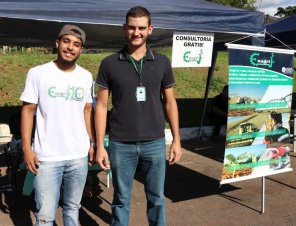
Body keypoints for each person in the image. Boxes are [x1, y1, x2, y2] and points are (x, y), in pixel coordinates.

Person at [94, 6, 182, 226]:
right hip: (120, 143)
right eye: (132, 27)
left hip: (155, 141)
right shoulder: (109, 63)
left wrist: (177, 141)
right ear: (125, 28)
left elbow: (170, 102)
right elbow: (101, 106)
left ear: (150, 29)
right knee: (121, 199)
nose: (137, 32)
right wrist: (99, 145)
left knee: (157, 198)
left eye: (142, 28)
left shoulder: (162, 62)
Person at [20, 24, 95, 226]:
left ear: (81, 50)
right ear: (57, 43)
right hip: (47, 157)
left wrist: (92, 143)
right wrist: (27, 148)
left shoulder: (86, 76)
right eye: (66, 41)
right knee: (44, 216)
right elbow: (27, 111)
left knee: (72, 210)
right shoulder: (38, 73)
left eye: (77, 44)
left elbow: (87, 111)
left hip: (78, 156)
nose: (71, 47)